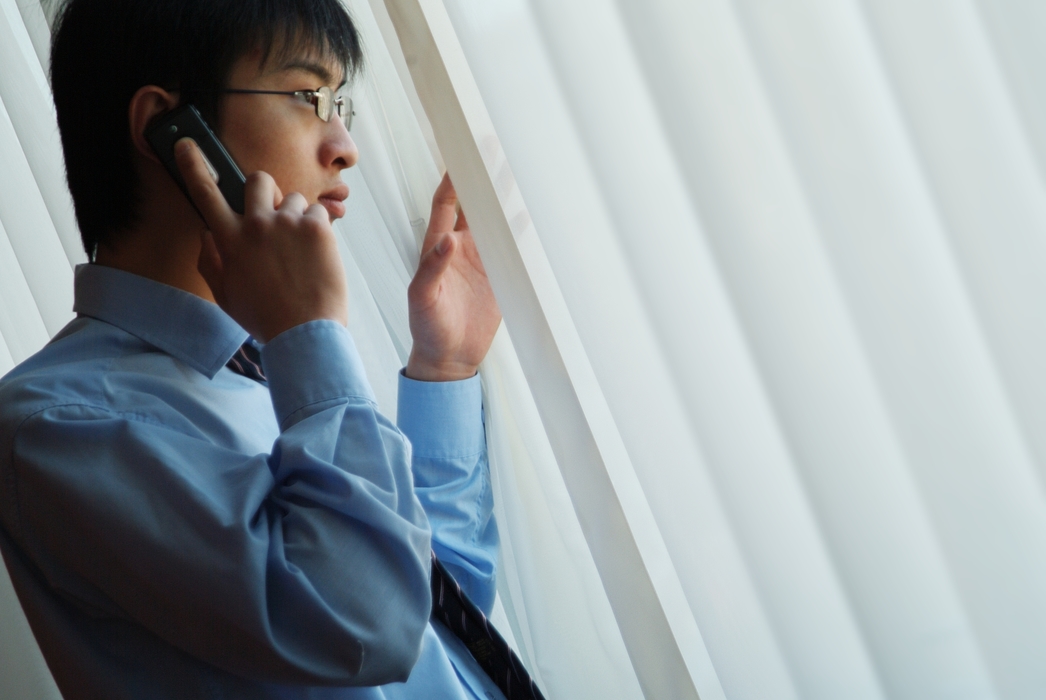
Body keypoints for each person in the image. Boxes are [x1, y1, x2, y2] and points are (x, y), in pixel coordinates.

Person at [0, 0, 507, 698]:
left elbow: (430, 627)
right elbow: (366, 628)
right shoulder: (59, 428)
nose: (344, 145)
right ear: (171, 129)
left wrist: (443, 367)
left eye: (341, 104)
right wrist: (308, 340)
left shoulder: (275, 371)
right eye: (308, 96)